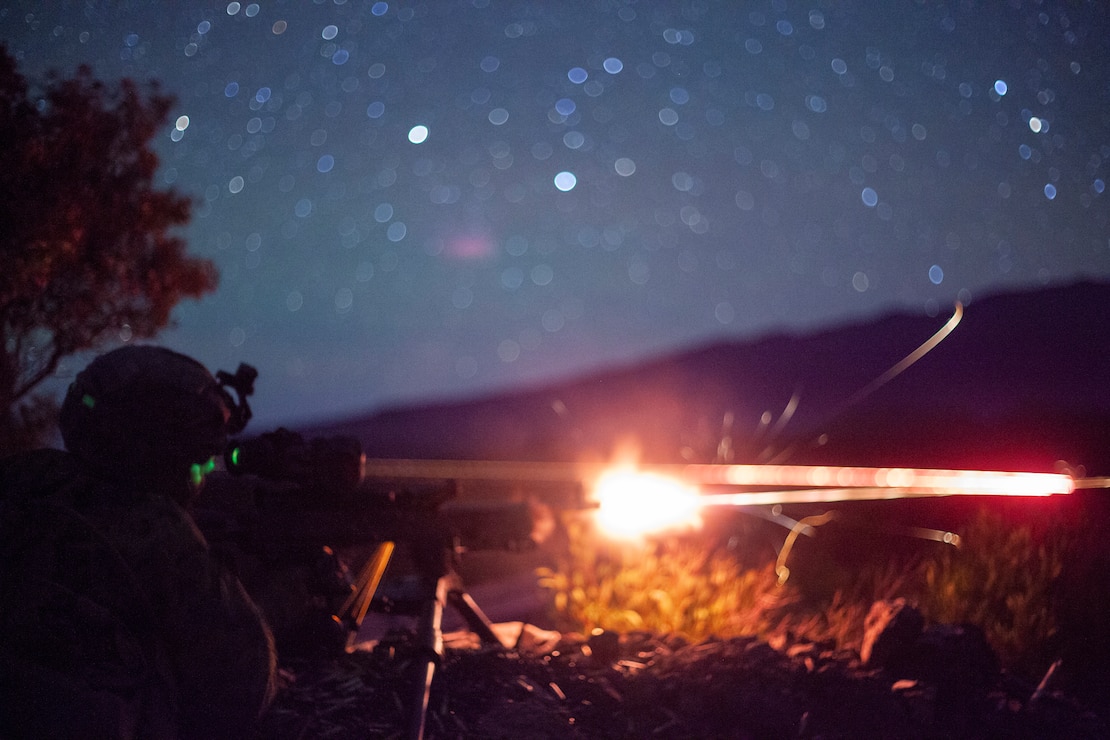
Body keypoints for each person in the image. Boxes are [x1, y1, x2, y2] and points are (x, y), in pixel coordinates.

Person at [0, 346, 276, 739]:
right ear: (163, 453)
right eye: (199, 462)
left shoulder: (25, 478)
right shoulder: (156, 530)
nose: (204, 474)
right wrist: (275, 606)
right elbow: (245, 688)